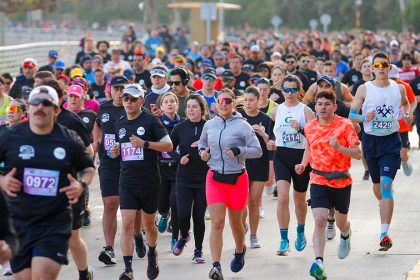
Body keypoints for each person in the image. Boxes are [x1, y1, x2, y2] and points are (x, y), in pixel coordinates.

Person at [0, 85, 95, 280]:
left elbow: (88, 167)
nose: (40, 107)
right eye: (35, 102)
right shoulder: (10, 136)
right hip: (18, 222)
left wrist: (81, 185)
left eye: (46, 103)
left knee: (42, 276)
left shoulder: (68, 139)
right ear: (29, 107)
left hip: (54, 221)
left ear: (57, 109)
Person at [109, 84, 173, 280]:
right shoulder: (119, 122)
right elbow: (121, 146)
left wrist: (145, 144)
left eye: (132, 99)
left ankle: (152, 252)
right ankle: (128, 269)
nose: (128, 102)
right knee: (127, 224)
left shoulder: (151, 121)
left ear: (141, 101)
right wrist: (116, 150)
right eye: (125, 98)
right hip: (127, 180)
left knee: (149, 225)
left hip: (149, 181)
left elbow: (168, 145)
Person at [296, 91, 361, 280]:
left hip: (341, 180)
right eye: (319, 104)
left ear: (334, 107)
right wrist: (303, 163)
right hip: (318, 179)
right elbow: (310, 146)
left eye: (326, 104)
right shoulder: (310, 127)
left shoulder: (345, 125)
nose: (322, 107)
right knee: (319, 220)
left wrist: (339, 148)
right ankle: (319, 262)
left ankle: (346, 234)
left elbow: (357, 154)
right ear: (315, 107)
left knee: (341, 222)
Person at [350, 52, 411, 251]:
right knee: (377, 187)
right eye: (378, 65)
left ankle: (384, 233)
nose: (381, 68)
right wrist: (363, 117)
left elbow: (405, 104)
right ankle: (382, 203)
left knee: (386, 185)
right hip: (371, 142)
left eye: (385, 64)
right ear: (373, 68)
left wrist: (407, 113)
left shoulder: (399, 88)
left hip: (391, 142)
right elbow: (351, 114)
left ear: (389, 66)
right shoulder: (364, 89)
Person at [198, 88, 262, 280]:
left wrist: (239, 150)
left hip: (237, 179)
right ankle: (216, 265)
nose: (224, 104)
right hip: (215, 177)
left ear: (234, 104)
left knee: (236, 223)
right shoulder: (209, 124)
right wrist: (202, 153)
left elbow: (257, 150)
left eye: (228, 101)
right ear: (216, 104)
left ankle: (239, 250)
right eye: (221, 101)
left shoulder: (243, 126)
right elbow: (202, 145)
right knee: (217, 222)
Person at [93, 76, 147, 267]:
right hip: (108, 161)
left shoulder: (137, 110)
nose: (119, 92)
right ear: (110, 90)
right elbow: (98, 124)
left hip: (130, 162)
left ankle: (138, 234)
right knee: (110, 203)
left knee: (134, 206)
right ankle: (109, 247)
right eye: (116, 89)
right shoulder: (103, 108)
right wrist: (95, 141)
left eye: (122, 89)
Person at [266, 75, 315, 256]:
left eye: (293, 89)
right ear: (281, 90)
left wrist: (300, 129)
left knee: (299, 199)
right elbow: (274, 133)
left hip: (301, 157)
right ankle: (284, 239)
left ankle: (300, 232)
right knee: (283, 198)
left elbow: (314, 138)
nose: (289, 93)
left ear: (299, 91)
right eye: (286, 89)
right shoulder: (276, 111)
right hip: (282, 156)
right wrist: (271, 142)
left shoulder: (306, 111)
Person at [170, 94, 209, 262]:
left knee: (198, 216)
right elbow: (168, 148)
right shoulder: (179, 127)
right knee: (183, 214)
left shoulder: (209, 126)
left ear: (202, 109)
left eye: (195, 106)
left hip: (204, 178)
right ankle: (184, 235)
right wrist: (179, 159)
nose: (191, 109)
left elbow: (219, 145)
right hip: (184, 177)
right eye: (189, 106)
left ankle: (198, 251)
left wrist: (205, 147)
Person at [238, 86, 272, 249]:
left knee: (254, 201)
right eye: (245, 100)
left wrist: (263, 134)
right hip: (241, 164)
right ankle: (243, 227)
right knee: (243, 201)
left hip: (260, 163)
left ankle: (253, 235)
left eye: (251, 100)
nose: (248, 103)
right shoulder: (238, 118)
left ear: (259, 101)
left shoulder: (265, 119)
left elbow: (271, 145)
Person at [155, 92, 183, 250]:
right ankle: (164, 214)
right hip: (161, 168)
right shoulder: (157, 123)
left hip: (179, 168)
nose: (170, 104)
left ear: (177, 105)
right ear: (161, 106)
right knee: (162, 202)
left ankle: (175, 237)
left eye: (173, 101)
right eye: (166, 102)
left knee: (176, 201)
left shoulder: (183, 123)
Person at [388, 65, 417, 176]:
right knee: (389, 155)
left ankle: (404, 160)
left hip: (402, 125)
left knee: (403, 154)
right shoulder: (380, 88)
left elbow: (413, 101)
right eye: (391, 78)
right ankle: (388, 179)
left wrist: (409, 112)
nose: (393, 81)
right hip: (387, 127)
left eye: (395, 78)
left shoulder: (404, 86)